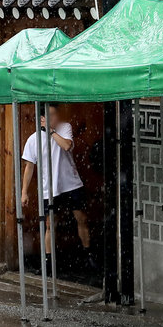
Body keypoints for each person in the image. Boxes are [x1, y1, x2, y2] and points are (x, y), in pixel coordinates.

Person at [21, 104, 96, 273]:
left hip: (71, 184)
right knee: (49, 225)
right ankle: (48, 262)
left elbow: (67, 146)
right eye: (50, 115)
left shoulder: (64, 128)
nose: (54, 117)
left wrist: (52, 132)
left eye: (55, 114)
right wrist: (24, 192)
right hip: (50, 188)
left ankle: (88, 255)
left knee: (81, 219)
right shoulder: (33, 140)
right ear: (42, 118)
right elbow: (29, 167)